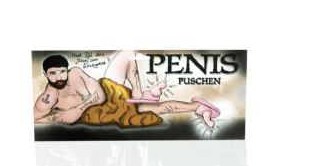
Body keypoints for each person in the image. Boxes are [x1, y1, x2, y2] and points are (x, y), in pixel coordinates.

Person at [34, 51, 219, 127]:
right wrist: (58, 116)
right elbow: (34, 118)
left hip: (108, 91)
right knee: (149, 108)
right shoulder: (48, 97)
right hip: (102, 111)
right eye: (53, 73)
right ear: (45, 74)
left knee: (128, 52)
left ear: (66, 69)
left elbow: (99, 95)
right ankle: (197, 107)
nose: (59, 77)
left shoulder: (75, 73)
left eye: (61, 71)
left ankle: (139, 92)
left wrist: (77, 109)